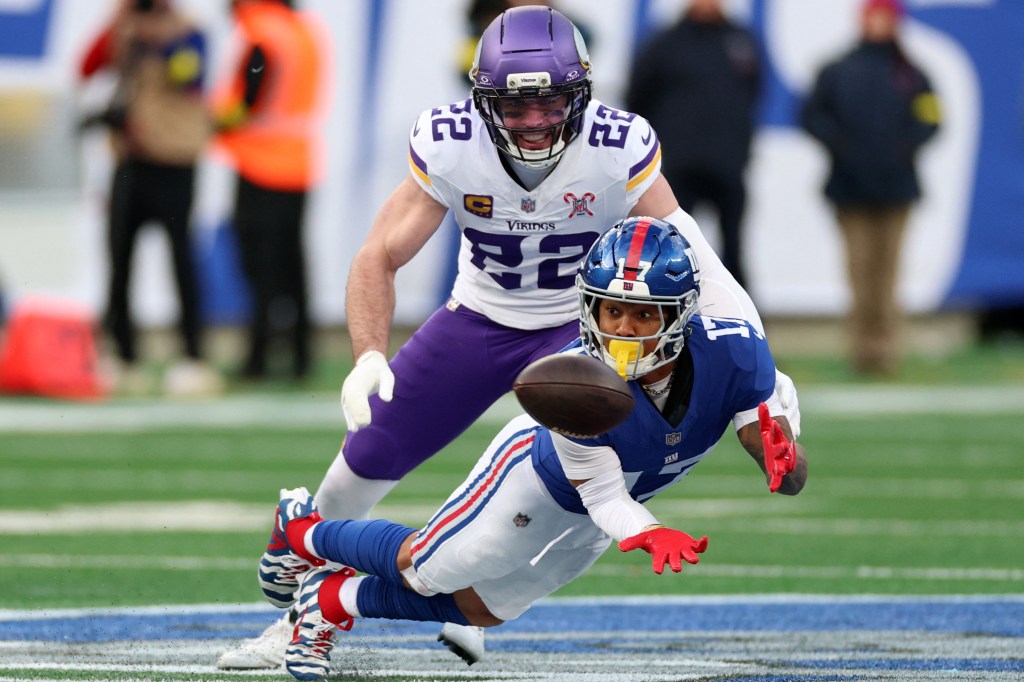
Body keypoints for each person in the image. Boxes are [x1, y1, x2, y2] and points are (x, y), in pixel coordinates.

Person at [218, 5, 801, 669]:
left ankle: (458, 597)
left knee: (575, 493)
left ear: (582, 94)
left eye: (551, 104)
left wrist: (754, 353)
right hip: (479, 318)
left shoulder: (617, 146)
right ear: (482, 101)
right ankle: (296, 595)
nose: (534, 122)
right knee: (365, 455)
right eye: (514, 107)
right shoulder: (451, 143)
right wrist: (369, 354)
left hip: (582, 333)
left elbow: (699, 259)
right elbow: (379, 254)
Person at [258, 217, 807, 681]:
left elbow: (781, 460)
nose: (623, 329)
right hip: (536, 479)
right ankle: (302, 528)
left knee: (484, 609)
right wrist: (648, 531)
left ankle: (331, 600)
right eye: (612, 311)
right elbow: (602, 495)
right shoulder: (574, 381)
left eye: (644, 314)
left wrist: (784, 465)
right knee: (426, 567)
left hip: (602, 513)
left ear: (680, 315)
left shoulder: (735, 354)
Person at [78, 0, 222, 397]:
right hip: (131, 162)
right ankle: (124, 353)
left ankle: (193, 355)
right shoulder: (125, 30)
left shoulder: (188, 32)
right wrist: (119, 23)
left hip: (173, 162)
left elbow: (188, 77)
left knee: (181, 259)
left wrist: (160, 39)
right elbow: (87, 67)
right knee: (119, 258)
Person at [801, 0, 940, 376]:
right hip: (850, 187)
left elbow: (932, 119)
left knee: (888, 271)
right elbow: (811, 115)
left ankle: (887, 349)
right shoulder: (838, 70)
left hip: (897, 187)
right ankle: (862, 348)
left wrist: (904, 147)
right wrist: (840, 145)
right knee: (860, 269)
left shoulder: (911, 74)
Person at [209, 0, 326, 382]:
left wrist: (213, 121)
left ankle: (258, 357)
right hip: (299, 164)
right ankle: (301, 355)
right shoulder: (304, 31)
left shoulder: (262, 34)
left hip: (260, 165)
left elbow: (247, 101)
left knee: (259, 267)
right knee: (293, 263)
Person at [625, 0, 761, 289]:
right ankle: (667, 307)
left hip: (728, 166)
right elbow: (637, 99)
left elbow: (753, 93)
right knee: (670, 247)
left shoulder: (741, 40)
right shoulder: (665, 43)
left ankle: (739, 312)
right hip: (679, 169)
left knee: (734, 249)